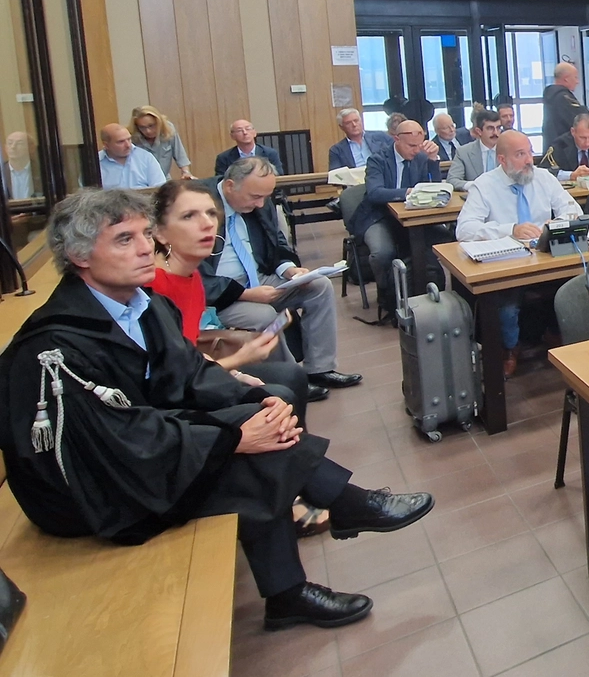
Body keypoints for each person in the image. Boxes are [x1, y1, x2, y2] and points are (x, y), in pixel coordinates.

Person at [0, 189, 435, 630]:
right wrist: (233, 439)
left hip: (136, 450)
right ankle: (332, 525)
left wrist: (254, 401)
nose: (146, 247)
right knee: (246, 455)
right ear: (79, 256)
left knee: (264, 413)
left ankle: (309, 559)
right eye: (124, 239)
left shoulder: (139, 306)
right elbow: (119, 441)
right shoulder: (58, 346)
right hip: (90, 489)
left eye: (145, 234)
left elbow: (185, 378)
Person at [149, 180, 328, 408]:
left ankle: (320, 371)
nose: (207, 224)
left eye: (211, 213)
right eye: (189, 216)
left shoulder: (192, 278)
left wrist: (234, 373)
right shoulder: (153, 286)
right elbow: (172, 378)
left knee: (291, 378)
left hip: (196, 371)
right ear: (160, 233)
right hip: (170, 401)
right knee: (278, 396)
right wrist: (241, 359)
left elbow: (189, 351)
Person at [200, 158, 361, 389]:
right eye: (255, 197)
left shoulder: (258, 200)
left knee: (319, 286)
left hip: (258, 277)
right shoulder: (199, 205)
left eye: (265, 197)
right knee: (263, 315)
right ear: (229, 186)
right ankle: (290, 381)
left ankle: (320, 368)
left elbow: (275, 241)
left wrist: (290, 269)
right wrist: (246, 294)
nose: (260, 204)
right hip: (221, 295)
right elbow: (194, 276)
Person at [456, 132, 582, 374]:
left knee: (576, 285)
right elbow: (465, 229)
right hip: (507, 261)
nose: (529, 160)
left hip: (546, 257)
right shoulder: (484, 185)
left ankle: (558, 335)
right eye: (520, 154)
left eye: (529, 152)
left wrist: (554, 224)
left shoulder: (543, 178)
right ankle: (507, 350)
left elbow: (572, 210)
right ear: (502, 160)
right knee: (506, 303)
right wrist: (510, 230)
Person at [350, 119, 447, 320]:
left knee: (446, 241)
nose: (416, 150)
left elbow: (434, 187)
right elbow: (375, 193)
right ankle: (387, 295)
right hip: (379, 216)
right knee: (382, 252)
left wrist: (432, 159)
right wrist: (407, 192)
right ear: (396, 139)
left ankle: (429, 294)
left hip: (411, 217)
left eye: (419, 145)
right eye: (411, 146)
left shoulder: (420, 157)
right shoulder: (378, 159)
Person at [541, 112, 589, 181]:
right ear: (573, 132)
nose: (587, 143)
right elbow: (543, 172)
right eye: (582, 138)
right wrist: (570, 175)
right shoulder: (560, 145)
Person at [130, 105, 194, 180]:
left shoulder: (168, 128)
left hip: (164, 179)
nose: (148, 131)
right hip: (142, 181)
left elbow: (180, 154)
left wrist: (186, 172)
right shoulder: (132, 137)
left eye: (151, 125)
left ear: (158, 121)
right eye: (142, 127)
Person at [98, 123, 168, 190]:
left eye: (129, 139)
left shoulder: (146, 158)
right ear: (106, 145)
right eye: (121, 142)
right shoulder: (96, 163)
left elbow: (159, 189)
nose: (128, 145)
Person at [448, 109, 503, 190]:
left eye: (498, 128)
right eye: (490, 128)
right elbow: (452, 180)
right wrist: (476, 185)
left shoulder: (509, 150)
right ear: (479, 131)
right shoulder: (464, 152)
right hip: (476, 198)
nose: (495, 133)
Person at [327, 108, 393, 170]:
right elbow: (336, 175)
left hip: (381, 176)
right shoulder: (336, 150)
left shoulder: (381, 137)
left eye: (356, 120)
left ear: (361, 121)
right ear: (341, 127)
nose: (354, 125)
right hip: (354, 180)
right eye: (348, 123)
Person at [542, 63, 589, 147]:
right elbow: (584, 119)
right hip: (564, 149)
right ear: (566, 79)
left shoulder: (551, 95)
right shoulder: (563, 98)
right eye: (575, 77)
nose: (577, 82)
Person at [214, 120, 284, 177]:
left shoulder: (270, 153)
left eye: (248, 129)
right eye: (239, 130)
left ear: (254, 133)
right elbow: (220, 181)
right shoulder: (224, 158)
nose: (245, 132)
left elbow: (278, 175)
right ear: (232, 136)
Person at [4, 131, 35, 200]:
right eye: (10, 143)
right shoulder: (2, 172)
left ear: (31, 148)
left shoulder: (42, 171)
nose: (13, 147)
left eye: (19, 143)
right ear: (5, 148)